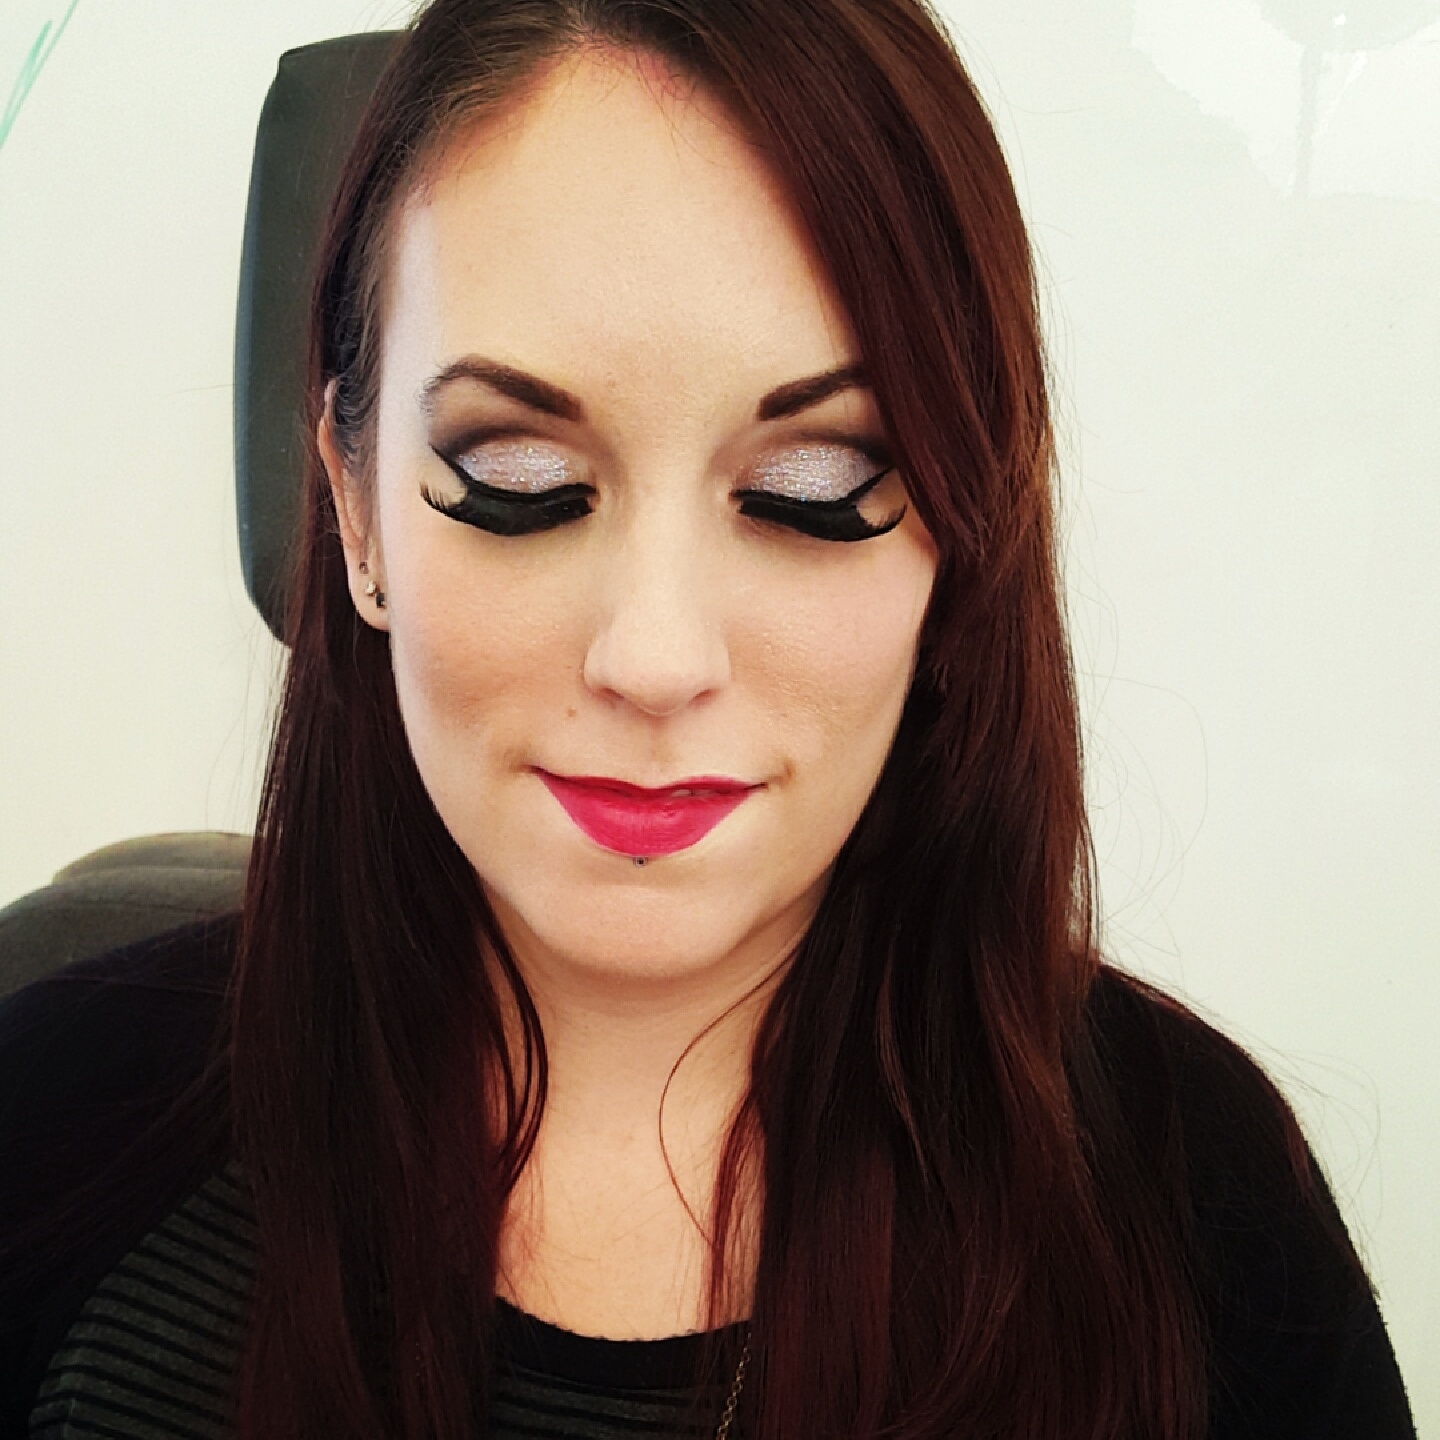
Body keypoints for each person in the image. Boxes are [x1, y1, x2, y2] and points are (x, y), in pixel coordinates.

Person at [0, 0, 1418, 1437]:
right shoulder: (45, 1128)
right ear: (357, 514)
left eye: (812, 492)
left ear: (958, 532)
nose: (655, 657)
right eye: (521, 481)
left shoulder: (1208, 1229)